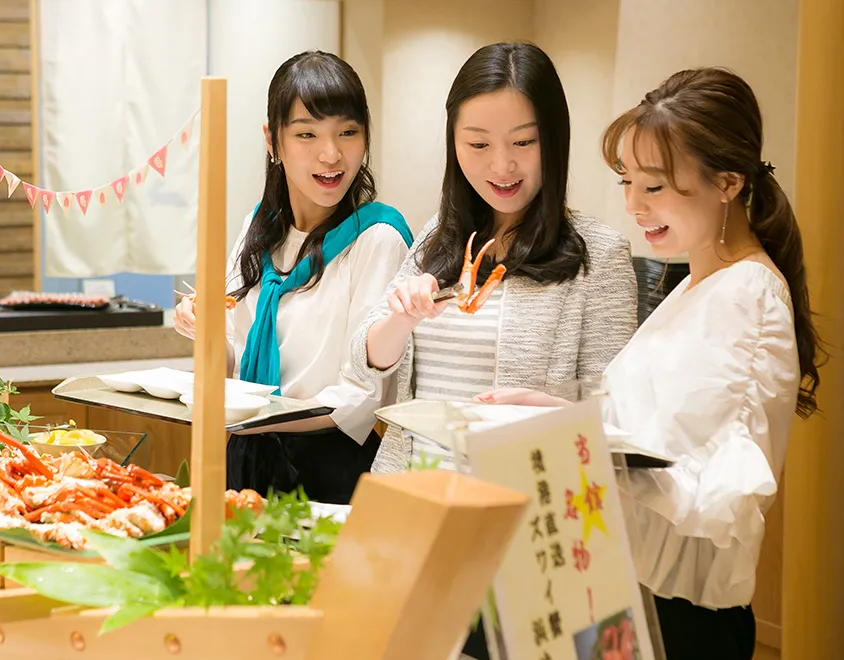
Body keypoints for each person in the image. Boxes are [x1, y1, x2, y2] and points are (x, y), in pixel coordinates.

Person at [482, 67, 824, 659]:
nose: (635, 206)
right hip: (629, 592)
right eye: (627, 182)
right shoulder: (697, 284)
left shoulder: (747, 294)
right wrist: (563, 419)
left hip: (682, 619)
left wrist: (579, 436)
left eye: (656, 186)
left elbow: (718, 498)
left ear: (729, 182)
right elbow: (654, 438)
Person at [350, 42, 637, 477]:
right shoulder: (438, 237)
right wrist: (401, 317)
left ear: (554, 140)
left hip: (520, 510)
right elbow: (365, 357)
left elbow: (617, 419)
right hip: (412, 494)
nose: (502, 165)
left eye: (523, 141)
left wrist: (552, 411)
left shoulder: (599, 255)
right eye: (478, 144)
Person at [173, 51, 412, 505]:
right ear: (272, 141)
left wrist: (256, 416)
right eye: (306, 134)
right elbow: (227, 366)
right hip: (242, 457)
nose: (331, 154)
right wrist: (201, 330)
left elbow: (363, 396)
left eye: (348, 132)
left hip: (330, 470)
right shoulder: (257, 229)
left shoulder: (378, 238)